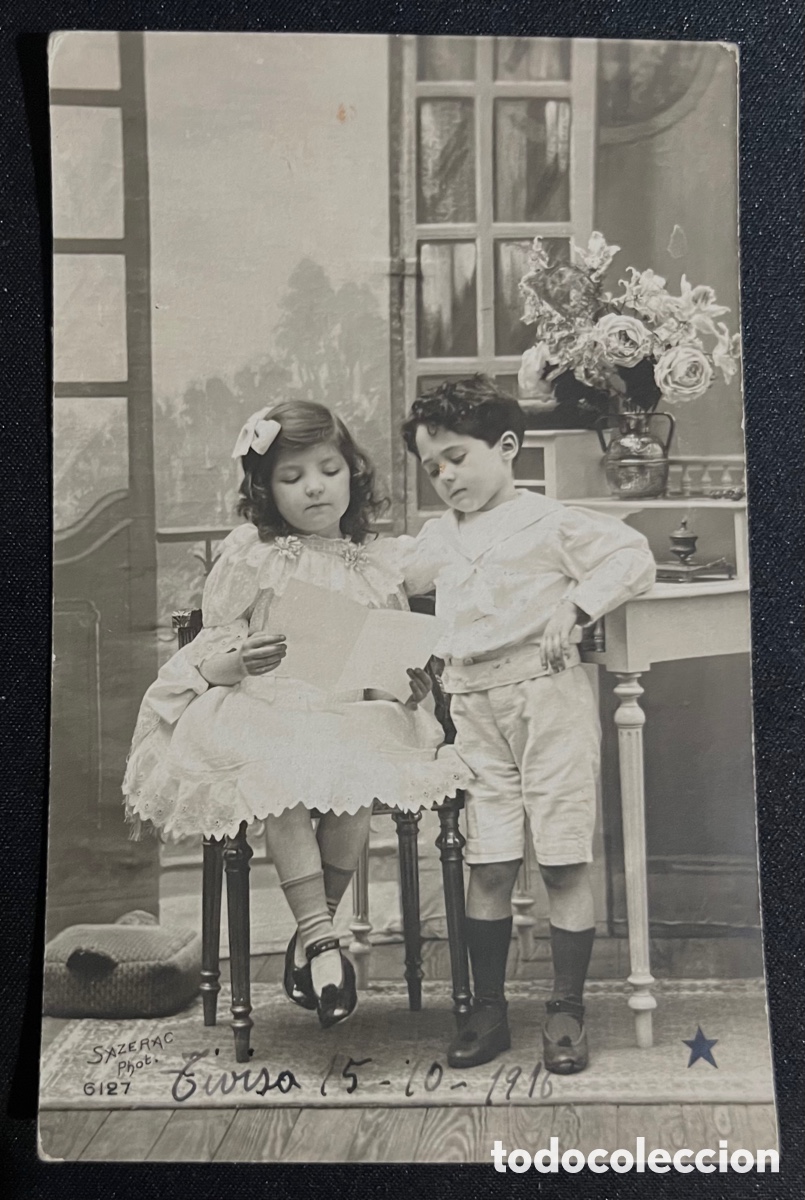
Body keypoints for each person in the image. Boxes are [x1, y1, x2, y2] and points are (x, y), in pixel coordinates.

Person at [123, 399, 469, 1030]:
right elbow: (209, 652)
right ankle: (322, 943)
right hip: (269, 708)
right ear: (266, 489)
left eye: (329, 470)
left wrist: (409, 685)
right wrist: (239, 660)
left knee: (356, 771)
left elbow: (384, 657)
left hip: (351, 714)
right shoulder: (254, 555)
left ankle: (315, 937)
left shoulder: (376, 559)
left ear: (351, 474)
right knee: (281, 772)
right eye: (293, 476)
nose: (314, 487)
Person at [398, 375, 656, 1073]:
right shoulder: (436, 538)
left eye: (457, 457)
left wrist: (576, 607)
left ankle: (566, 1008)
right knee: (489, 861)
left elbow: (633, 556)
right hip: (471, 707)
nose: (446, 477)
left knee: (563, 858)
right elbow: (393, 581)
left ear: (507, 446)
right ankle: (488, 1009)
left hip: (547, 700)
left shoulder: (550, 521)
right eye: (432, 468)